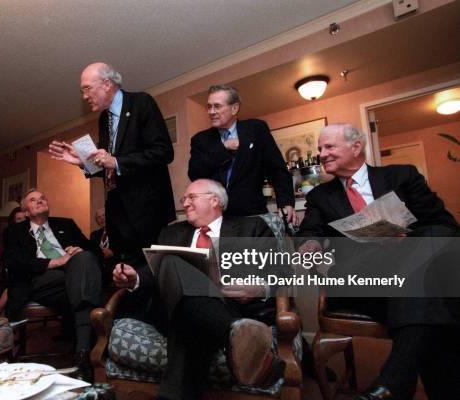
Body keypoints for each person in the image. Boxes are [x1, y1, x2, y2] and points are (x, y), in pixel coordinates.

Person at [297, 123, 459, 400]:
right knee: (437, 302)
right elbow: (308, 236)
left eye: (329, 147)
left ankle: (392, 386)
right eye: (320, 149)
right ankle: (398, 383)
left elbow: (444, 226)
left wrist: (407, 239)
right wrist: (310, 247)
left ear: (356, 147)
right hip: (364, 281)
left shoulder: (402, 175)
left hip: (409, 272)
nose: (322, 154)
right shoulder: (319, 197)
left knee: (430, 263)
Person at [113, 179, 285, 399]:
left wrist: (260, 287)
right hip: (170, 309)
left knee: (188, 325)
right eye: (184, 199)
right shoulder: (171, 233)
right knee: (171, 262)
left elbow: (280, 271)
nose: (185, 203)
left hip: (227, 305)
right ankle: (235, 333)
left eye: (191, 197)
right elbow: (152, 271)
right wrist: (134, 277)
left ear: (215, 200)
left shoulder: (251, 228)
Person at [48, 62, 175, 263]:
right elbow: (108, 167)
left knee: (153, 277)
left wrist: (115, 161)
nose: (84, 96)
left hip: (147, 214)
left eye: (87, 89)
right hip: (119, 218)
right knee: (127, 281)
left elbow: (163, 152)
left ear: (107, 84)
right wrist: (82, 162)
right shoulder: (103, 119)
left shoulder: (141, 102)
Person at [2, 188, 102, 382]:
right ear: (27, 212)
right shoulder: (14, 232)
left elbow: (94, 252)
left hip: (71, 277)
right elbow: (13, 263)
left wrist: (79, 250)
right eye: (33, 200)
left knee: (83, 262)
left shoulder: (66, 224)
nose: (40, 201)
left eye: (42, 198)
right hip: (38, 280)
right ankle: (92, 349)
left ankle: (82, 355)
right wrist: (53, 262)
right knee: (86, 283)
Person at [188, 84, 296, 225]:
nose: (211, 111)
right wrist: (224, 147)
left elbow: (276, 168)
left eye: (217, 106)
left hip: (251, 215)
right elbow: (194, 173)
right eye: (209, 107)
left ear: (234, 108)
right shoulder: (200, 139)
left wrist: (285, 201)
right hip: (215, 218)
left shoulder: (256, 129)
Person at [89, 207, 115, 287]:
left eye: (104, 215)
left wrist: (113, 252)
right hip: (97, 269)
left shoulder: (118, 232)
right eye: (98, 217)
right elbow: (92, 251)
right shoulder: (94, 235)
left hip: (113, 268)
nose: (102, 219)